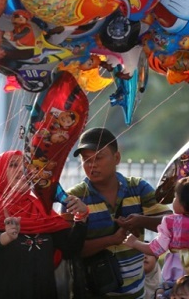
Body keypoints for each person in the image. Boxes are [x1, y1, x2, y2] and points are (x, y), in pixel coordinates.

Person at [0, 150, 89, 299]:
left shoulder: (41, 208)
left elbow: (70, 249)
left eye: (26, 166)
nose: (21, 170)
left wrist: (81, 216)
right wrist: (4, 237)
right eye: (13, 165)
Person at [68, 127, 171, 299]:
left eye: (98, 158)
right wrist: (112, 239)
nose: (92, 165)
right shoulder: (75, 198)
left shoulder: (138, 188)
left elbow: (172, 223)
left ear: (116, 158)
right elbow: (70, 250)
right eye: (86, 159)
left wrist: (141, 221)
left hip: (136, 293)